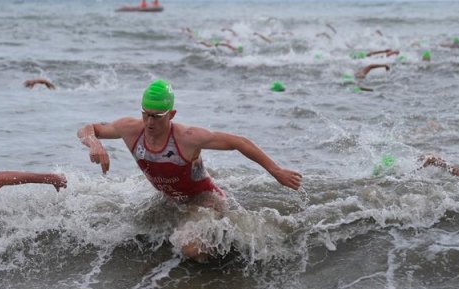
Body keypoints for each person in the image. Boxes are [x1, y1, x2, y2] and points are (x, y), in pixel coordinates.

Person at [77, 79, 302, 262]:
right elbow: (88, 128)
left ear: (171, 114)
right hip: (171, 200)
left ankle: (223, 262)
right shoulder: (129, 128)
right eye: (145, 113)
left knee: (190, 248)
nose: (149, 121)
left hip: (205, 200)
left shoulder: (187, 138)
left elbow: (238, 142)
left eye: (157, 115)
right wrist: (94, 143)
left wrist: (276, 171)